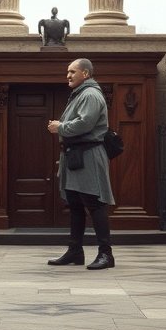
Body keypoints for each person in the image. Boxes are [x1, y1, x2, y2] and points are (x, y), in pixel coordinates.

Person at [47, 57, 115, 270]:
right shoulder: (80, 94)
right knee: (75, 206)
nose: (68, 75)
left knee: (95, 204)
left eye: (72, 71)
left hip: (89, 156)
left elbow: (86, 123)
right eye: (67, 71)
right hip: (76, 156)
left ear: (85, 73)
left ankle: (106, 254)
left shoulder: (90, 94)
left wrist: (61, 127)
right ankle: (75, 251)